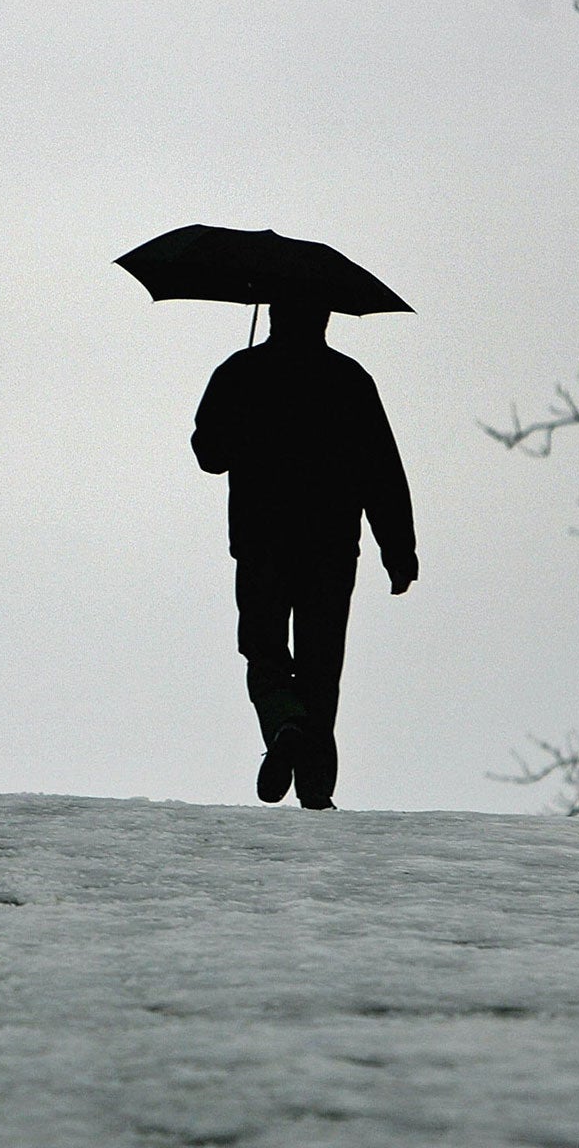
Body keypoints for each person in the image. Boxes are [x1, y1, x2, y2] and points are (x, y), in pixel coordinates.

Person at [190, 300, 416, 809]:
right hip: (332, 547)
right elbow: (381, 469)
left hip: (261, 540)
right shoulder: (350, 380)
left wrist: (237, 409)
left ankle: (284, 724)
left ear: (271, 316)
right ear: (325, 319)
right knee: (321, 666)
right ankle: (316, 791)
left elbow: (209, 455)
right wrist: (399, 549)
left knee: (264, 649)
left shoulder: (242, 371)